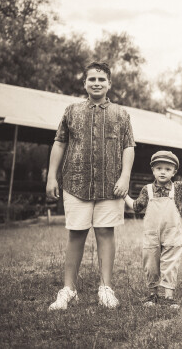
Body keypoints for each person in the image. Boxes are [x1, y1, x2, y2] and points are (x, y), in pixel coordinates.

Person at [47, 62, 135, 310]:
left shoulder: (121, 114)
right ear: (84, 83)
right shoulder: (71, 111)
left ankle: (105, 288)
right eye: (92, 79)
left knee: (106, 232)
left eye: (101, 79)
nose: (97, 83)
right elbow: (59, 143)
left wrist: (125, 177)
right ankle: (68, 289)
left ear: (109, 84)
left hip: (111, 185)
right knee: (76, 233)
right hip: (76, 182)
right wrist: (51, 177)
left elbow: (128, 146)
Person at [124, 151, 182, 307]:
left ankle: (168, 297)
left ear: (174, 172)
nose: (163, 172)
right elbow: (136, 207)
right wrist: (124, 195)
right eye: (159, 168)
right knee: (150, 263)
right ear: (153, 170)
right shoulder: (147, 190)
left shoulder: (178, 188)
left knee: (170, 263)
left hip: (171, 234)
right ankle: (152, 295)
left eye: (168, 169)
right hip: (151, 235)